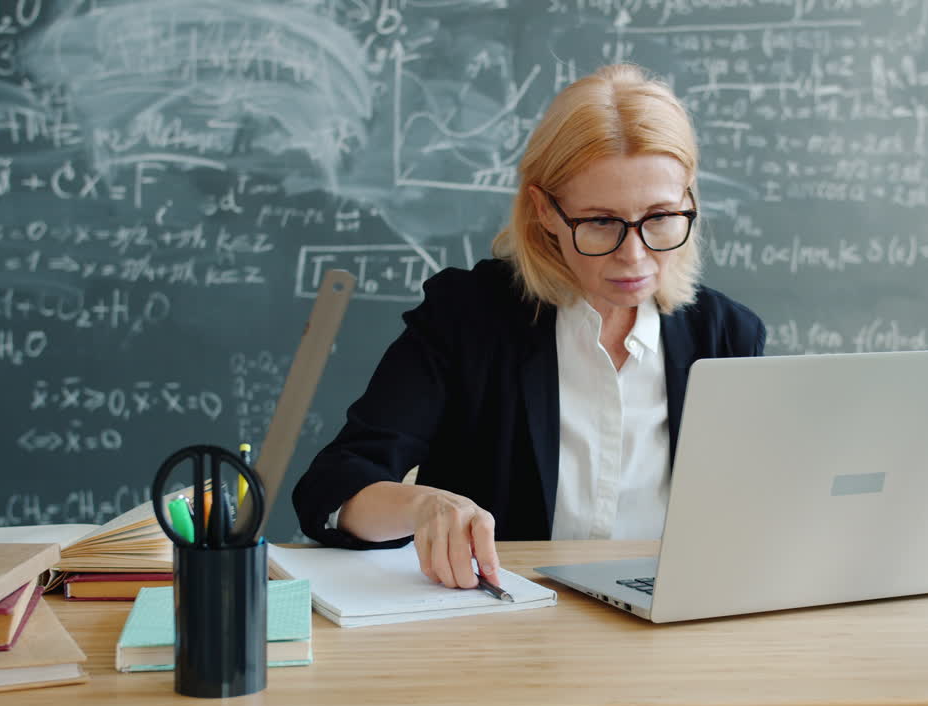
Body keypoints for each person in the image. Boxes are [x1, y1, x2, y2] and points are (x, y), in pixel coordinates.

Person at [293, 63, 765, 592]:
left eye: (660, 217)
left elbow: (751, 516)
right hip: (503, 630)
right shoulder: (467, 318)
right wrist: (421, 506)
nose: (634, 256)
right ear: (544, 211)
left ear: (688, 201)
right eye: (601, 222)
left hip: (667, 632)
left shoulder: (728, 337)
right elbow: (330, 488)